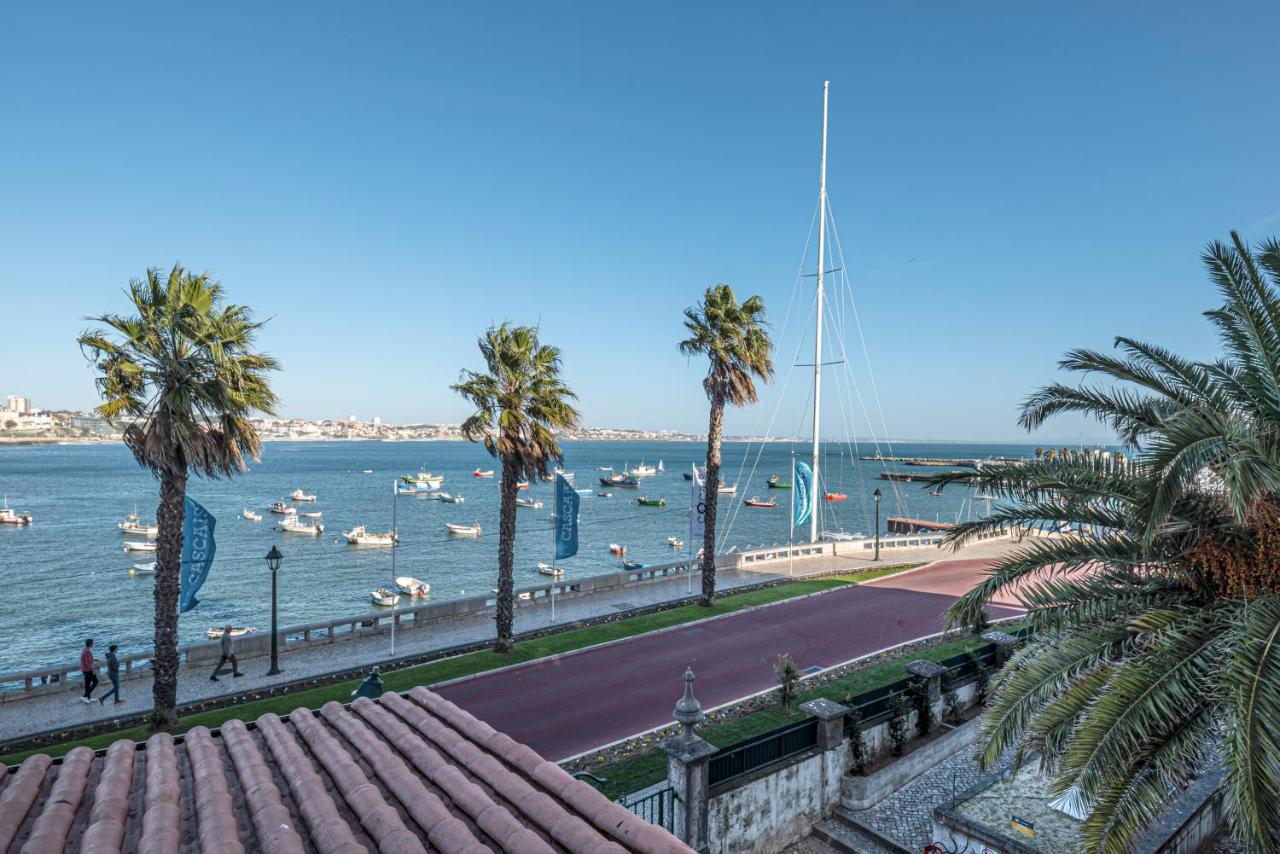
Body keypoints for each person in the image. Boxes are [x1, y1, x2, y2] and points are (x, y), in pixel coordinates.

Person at [79, 639, 98, 704]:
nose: (93, 644)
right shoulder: (88, 652)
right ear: (90, 644)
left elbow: (86, 660)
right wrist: (93, 670)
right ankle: (84, 696)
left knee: (87, 683)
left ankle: (88, 698)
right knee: (96, 682)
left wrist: (94, 659)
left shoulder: (84, 650)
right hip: (88, 670)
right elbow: (88, 663)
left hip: (84, 669)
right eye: (92, 643)